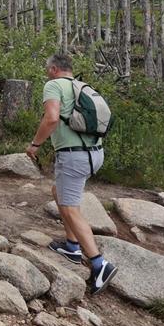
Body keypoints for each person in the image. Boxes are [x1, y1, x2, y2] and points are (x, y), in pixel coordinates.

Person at [26, 53, 118, 295]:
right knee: (59, 191)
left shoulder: (53, 85)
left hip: (74, 155)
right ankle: (71, 246)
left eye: (48, 70)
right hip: (95, 153)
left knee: (70, 208)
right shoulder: (81, 86)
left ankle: (99, 264)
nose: (47, 73)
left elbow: (52, 118)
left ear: (54, 69)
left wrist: (35, 145)